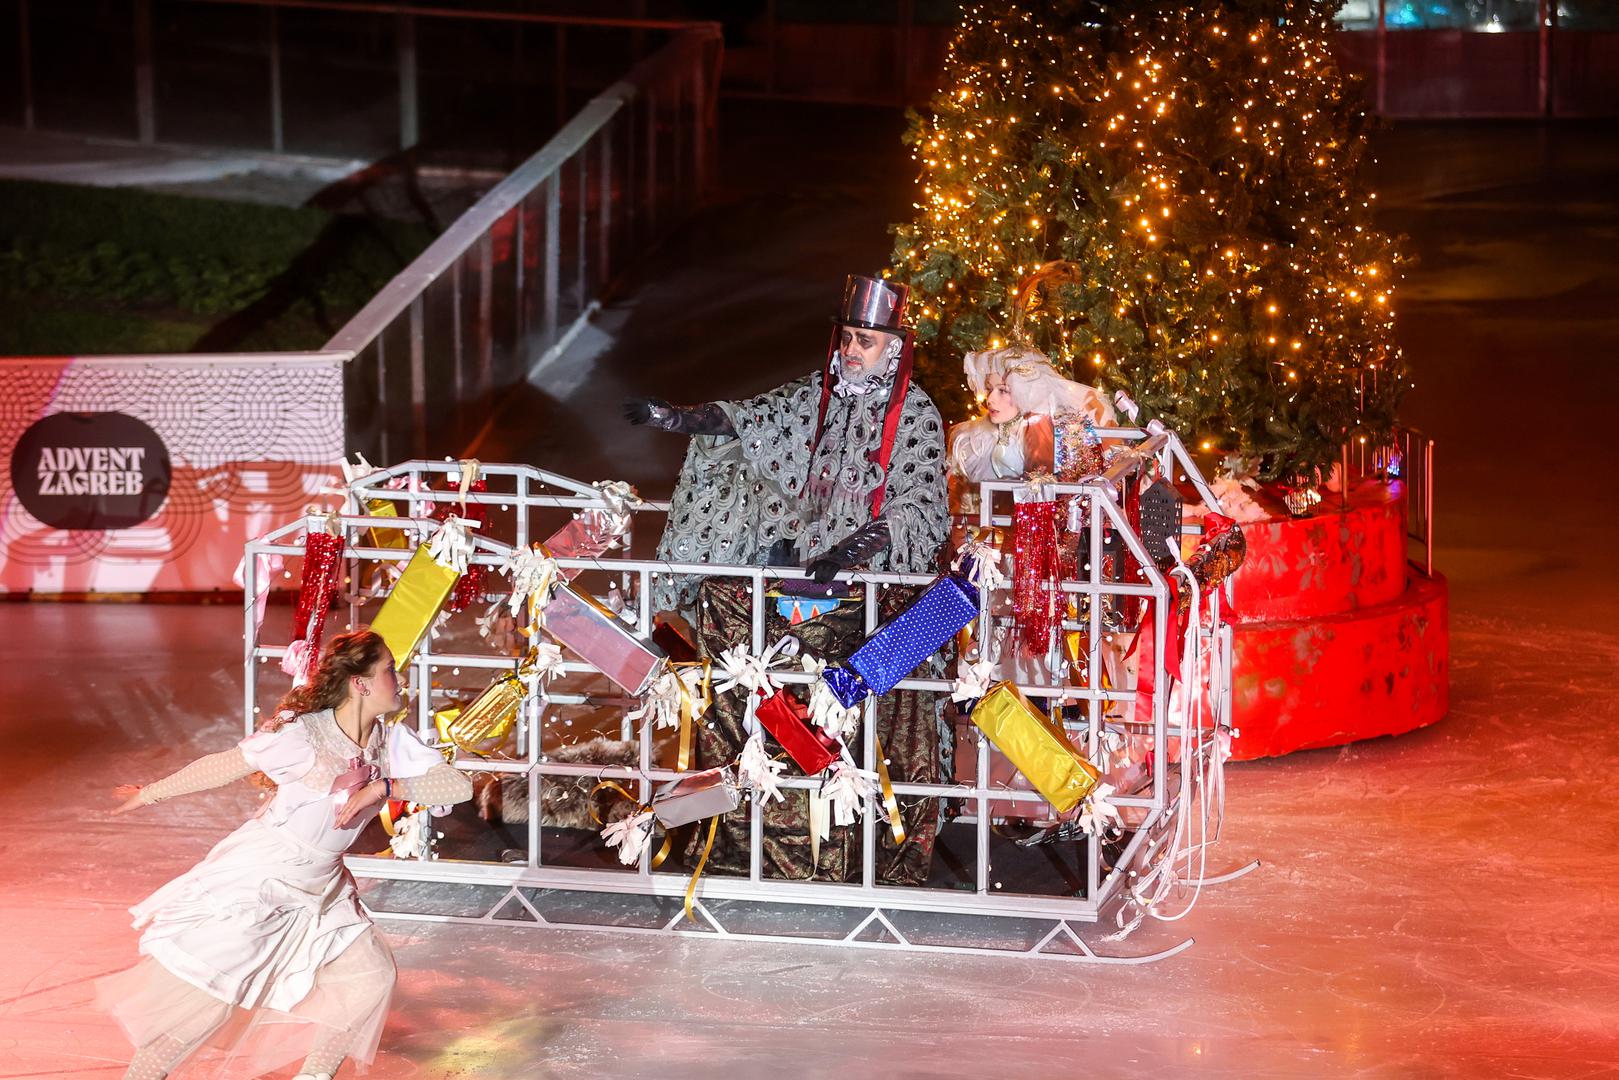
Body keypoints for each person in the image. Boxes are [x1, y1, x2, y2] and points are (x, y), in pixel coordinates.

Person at [624, 274, 951, 885]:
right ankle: (733, 826)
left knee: (853, 658)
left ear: (895, 348)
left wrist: (851, 551)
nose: (852, 351)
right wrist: (675, 417)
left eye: (867, 341)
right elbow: (749, 422)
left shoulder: (918, 416)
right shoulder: (811, 398)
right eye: (848, 337)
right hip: (798, 588)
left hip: (873, 594)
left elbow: (920, 512)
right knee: (725, 607)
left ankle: (848, 845)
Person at [98, 629, 472, 1080]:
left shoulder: (390, 741)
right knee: (208, 1001)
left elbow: (458, 785)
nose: (400, 678)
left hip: (323, 887)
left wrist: (385, 785)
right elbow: (225, 766)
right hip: (264, 877)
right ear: (361, 683)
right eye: (390, 669)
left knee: (371, 977)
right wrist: (149, 793)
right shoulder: (305, 736)